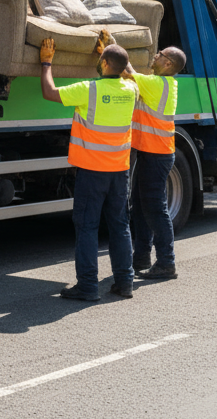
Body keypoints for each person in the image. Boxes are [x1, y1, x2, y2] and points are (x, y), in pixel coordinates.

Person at [40, 35, 138, 301]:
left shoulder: (89, 89)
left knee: (87, 226)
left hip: (93, 171)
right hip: (119, 171)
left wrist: (46, 62)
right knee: (120, 226)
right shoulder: (132, 90)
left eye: (101, 59)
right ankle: (124, 283)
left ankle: (87, 286)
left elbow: (49, 92)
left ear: (104, 63)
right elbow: (127, 71)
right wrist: (111, 50)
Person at [129, 47, 186, 281]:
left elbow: (126, 71)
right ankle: (141, 257)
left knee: (155, 209)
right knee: (140, 206)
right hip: (149, 152)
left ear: (168, 64)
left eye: (160, 54)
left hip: (157, 154)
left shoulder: (157, 84)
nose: (155, 55)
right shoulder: (159, 83)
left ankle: (166, 263)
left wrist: (109, 47)